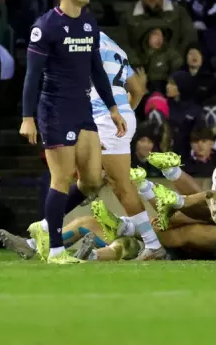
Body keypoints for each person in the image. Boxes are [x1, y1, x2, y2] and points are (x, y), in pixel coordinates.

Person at [20, 0, 125, 264]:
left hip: (83, 109)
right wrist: (27, 117)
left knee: (93, 180)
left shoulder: (89, 24)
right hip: (55, 110)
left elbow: (96, 69)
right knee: (61, 178)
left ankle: (43, 226)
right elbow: (32, 76)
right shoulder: (46, 26)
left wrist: (113, 109)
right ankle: (55, 251)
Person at [82, 31, 165, 260]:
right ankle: (47, 231)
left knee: (120, 184)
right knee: (80, 173)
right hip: (115, 116)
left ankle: (152, 245)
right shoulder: (114, 45)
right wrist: (126, 112)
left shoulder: (81, 42)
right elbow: (137, 89)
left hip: (105, 118)